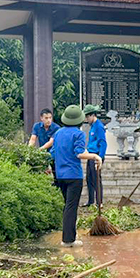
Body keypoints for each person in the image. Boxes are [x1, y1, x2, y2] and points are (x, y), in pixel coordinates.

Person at [53, 105, 102, 247]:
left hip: (60, 175)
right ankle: (68, 240)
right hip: (74, 176)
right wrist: (95, 156)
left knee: (67, 206)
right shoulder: (78, 134)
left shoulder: (58, 133)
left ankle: (70, 235)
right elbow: (79, 153)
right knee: (71, 207)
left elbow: (54, 152)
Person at [83, 104, 107, 207]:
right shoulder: (92, 126)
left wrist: (100, 158)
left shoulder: (99, 126)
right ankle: (91, 200)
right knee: (89, 178)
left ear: (93, 115)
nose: (87, 119)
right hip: (90, 155)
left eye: (88, 116)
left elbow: (103, 143)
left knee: (96, 178)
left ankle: (99, 202)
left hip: (97, 155)